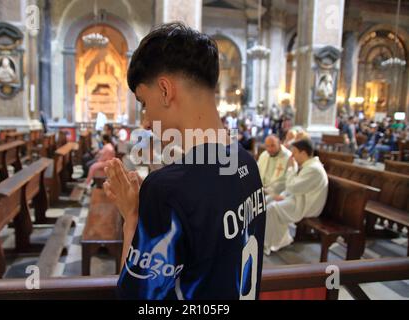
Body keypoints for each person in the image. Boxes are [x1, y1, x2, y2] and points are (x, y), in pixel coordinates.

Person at [102, 22, 266, 300]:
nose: (145, 121)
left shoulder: (167, 189)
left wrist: (132, 218)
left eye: (143, 102)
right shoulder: (247, 164)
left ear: (165, 91)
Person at [264, 139, 328, 255]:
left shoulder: (314, 169)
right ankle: (278, 240)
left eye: (294, 152)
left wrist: (290, 168)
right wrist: (282, 196)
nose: (292, 155)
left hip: (307, 206)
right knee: (269, 200)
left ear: (303, 153)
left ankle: (270, 243)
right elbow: (296, 187)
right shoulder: (309, 166)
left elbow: (292, 187)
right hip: (300, 199)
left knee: (272, 208)